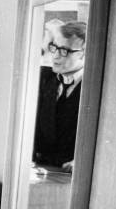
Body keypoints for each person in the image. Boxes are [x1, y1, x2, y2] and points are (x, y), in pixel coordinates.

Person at [33, 21, 86, 172]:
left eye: (65, 50)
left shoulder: (98, 88)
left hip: (72, 176)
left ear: (85, 53)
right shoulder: (41, 77)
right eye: (55, 47)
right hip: (38, 169)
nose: (55, 55)